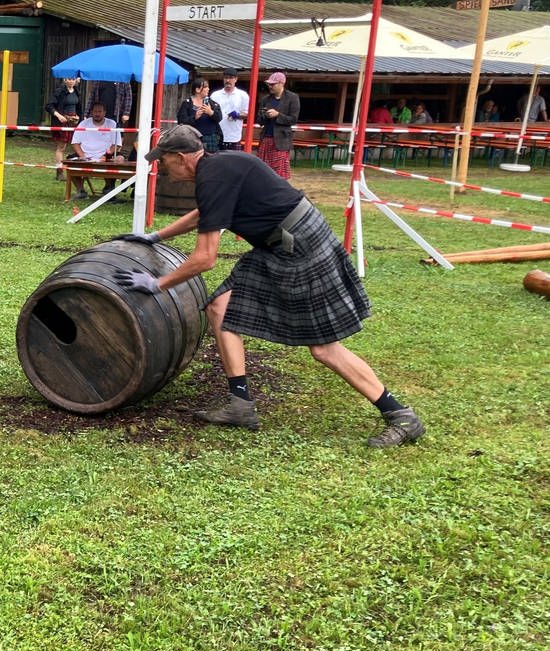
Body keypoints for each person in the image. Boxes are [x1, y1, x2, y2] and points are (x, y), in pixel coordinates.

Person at [109, 125, 426, 447]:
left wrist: (157, 283)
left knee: (323, 348)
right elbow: (205, 214)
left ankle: (401, 416)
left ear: (180, 158)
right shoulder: (219, 166)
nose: (161, 167)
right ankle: (240, 405)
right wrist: (156, 237)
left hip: (300, 245)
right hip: (277, 245)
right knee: (220, 308)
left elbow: (205, 258)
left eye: (163, 160)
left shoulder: (213, 175)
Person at [66, 101, 124, 199]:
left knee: (119, 159)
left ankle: (109, 189)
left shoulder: (112, 124)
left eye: (100, 111)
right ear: (91, 112)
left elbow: (116, 144)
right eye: (95, 111)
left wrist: (106, 155)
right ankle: (81, 191)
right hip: (85, 155)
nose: (97, 114)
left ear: (104, 112)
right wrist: (82, 156)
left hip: (106, 155)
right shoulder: (83, 124)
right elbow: (75, 143)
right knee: (69, 162)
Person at [257, 71, 299, 181]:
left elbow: (293, 119)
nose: (270, 86)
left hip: (281, 141)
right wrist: (265, 116)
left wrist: (277, 115)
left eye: (273, 84)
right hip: (266, 138)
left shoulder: (292, 98)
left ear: (281, 83)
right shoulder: (266, 99)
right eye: (269, 84)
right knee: (262, 171)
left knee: (279, 175)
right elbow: (259, 121)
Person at [46, 76, 84, 179]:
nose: (71, 81)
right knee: (61, 147)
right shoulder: (59, 91)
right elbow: (49, 106)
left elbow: (78, 107)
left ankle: (79, 171)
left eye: (73, 79)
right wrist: (59, 116)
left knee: (77, 145)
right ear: (64, 80)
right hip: (61, 122)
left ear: (76, 80)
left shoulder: (77, 91)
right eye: (69, 79)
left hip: (74, 122)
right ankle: (59, 171)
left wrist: (78, 117)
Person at [177, 77, 223, 152]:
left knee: (210, 161)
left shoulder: (212, 103)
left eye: (208, 87)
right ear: (197, 89)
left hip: (210, 139)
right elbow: (181, 121)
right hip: (192, 138)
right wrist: (194, 117)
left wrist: (210, 112)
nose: (208, 89)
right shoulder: (187, 103)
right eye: (205, 87)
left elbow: (219, 118)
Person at [209, 68, 251, 151]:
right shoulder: (215, 95)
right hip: (217, 135)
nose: (228, 80)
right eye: (225, 78)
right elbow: (210, 113)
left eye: (231, 78)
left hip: (234, 137)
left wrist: (237, 115)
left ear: (236, 79)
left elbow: (248, 114)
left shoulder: (243, 95)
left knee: (233, 163)